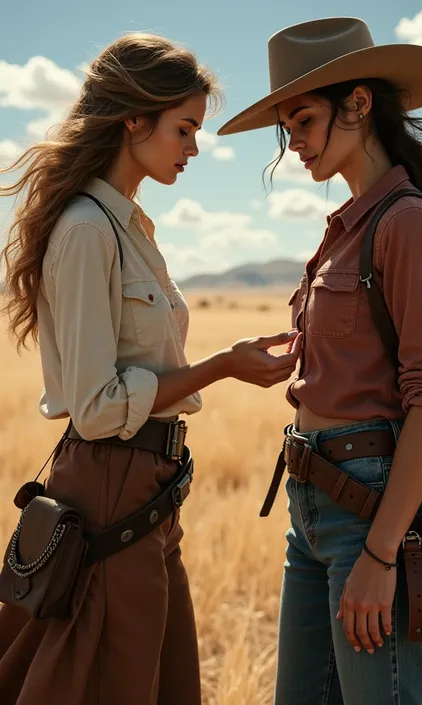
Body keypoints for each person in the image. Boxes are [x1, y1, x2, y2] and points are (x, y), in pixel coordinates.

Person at [0, 33, 302, 705]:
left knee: (161, 678)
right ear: (133, 120)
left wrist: (219, 361)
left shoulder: (133, 229)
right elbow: (97, 405)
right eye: (184, 129)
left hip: (149, 487)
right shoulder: (86, 228)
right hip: (111, 482)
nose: (194, 148)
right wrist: (220, 366)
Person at [218, 17, 422, 705]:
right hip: (313, 505)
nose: (292, 142)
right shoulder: (348, 225)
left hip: (368, 510)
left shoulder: (406, 222)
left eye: (302, 120)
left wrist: (382, 551)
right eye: (286, 127)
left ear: (358, 104)